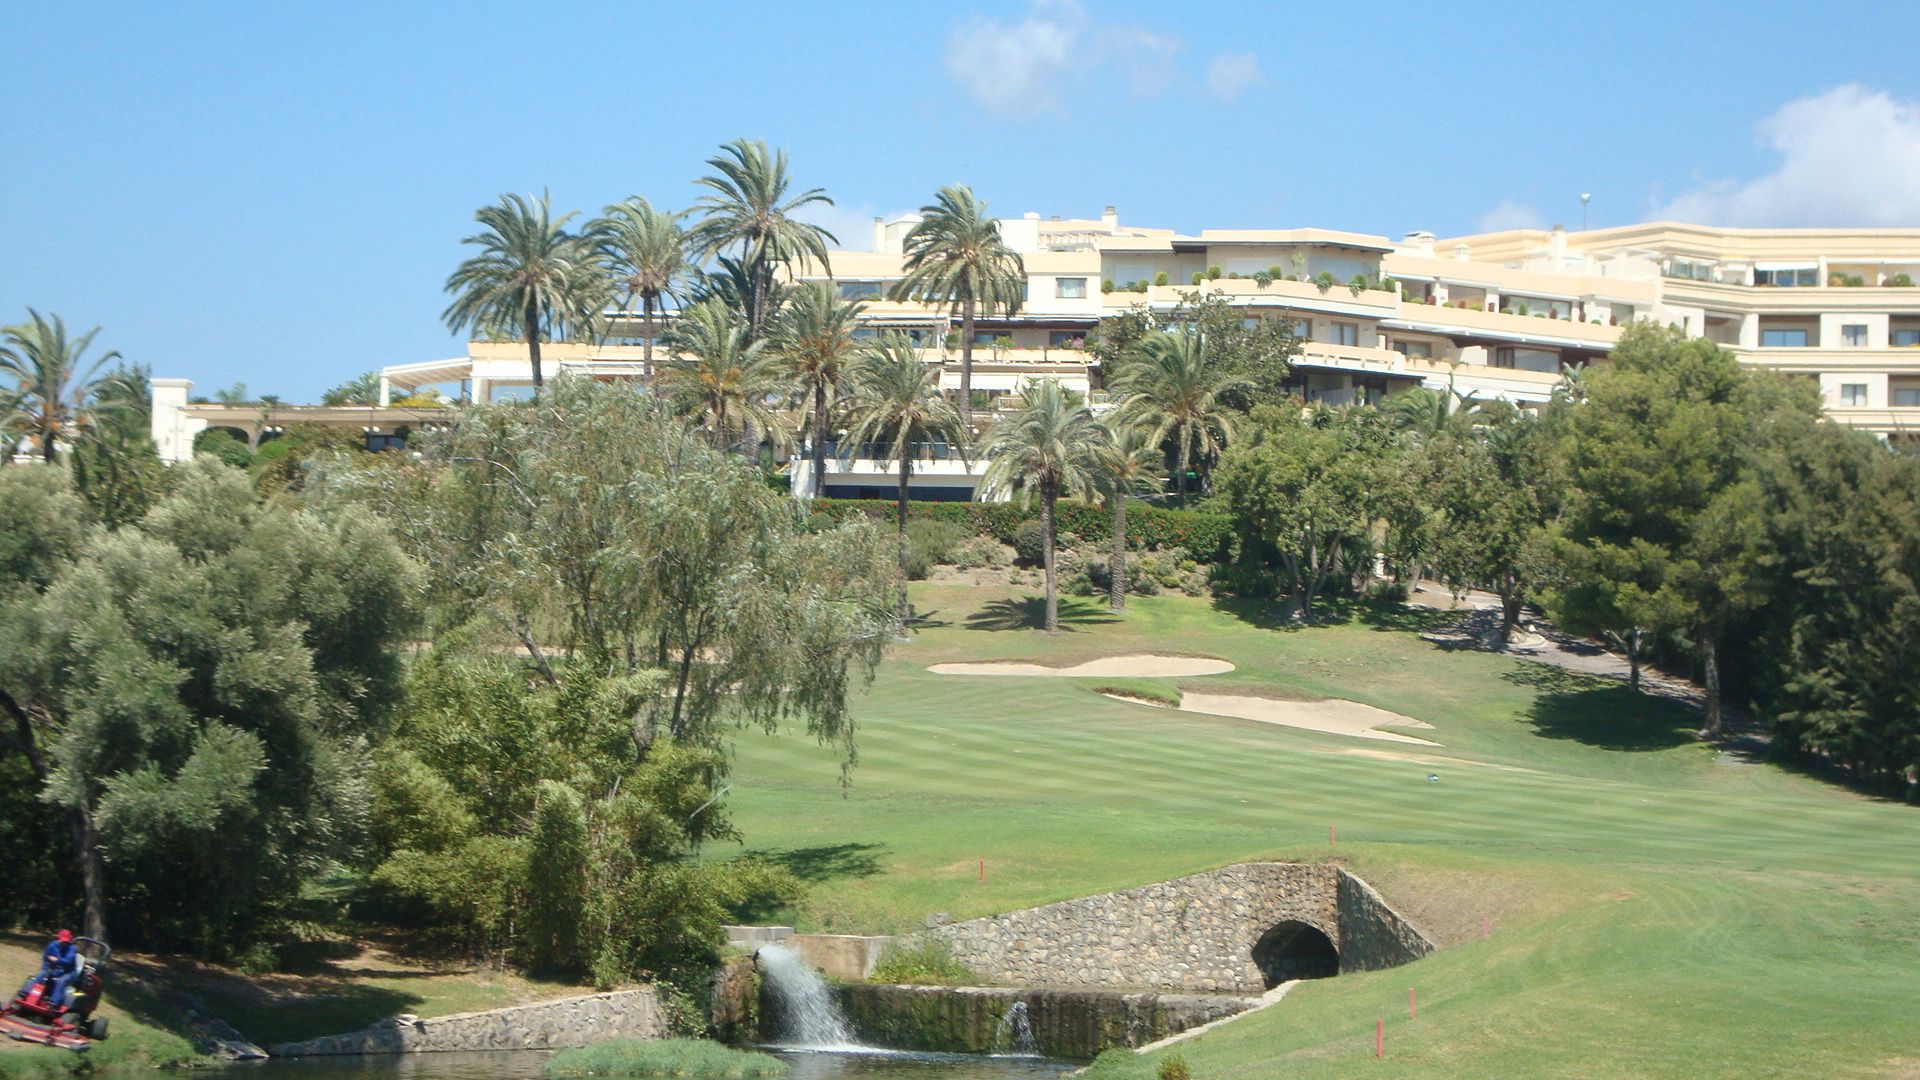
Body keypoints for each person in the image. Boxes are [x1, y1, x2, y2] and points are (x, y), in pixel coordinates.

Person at [22, 930, 77, 1010]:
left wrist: (56, 960)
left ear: (69, 940)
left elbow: (67, 961)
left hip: (69, 972)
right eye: (62, 941)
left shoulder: (72, 948)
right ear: (59, 939)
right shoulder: (52, 946)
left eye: (66, 941)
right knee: (41, 975)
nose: (64, 943)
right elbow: (45, 958)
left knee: (60, 981)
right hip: (55, 969)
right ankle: (25, 993)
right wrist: (45, 969)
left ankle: (53, 1002)